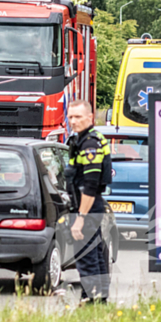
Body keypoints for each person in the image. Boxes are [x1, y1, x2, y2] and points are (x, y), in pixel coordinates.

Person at [66, 100, 111, 303]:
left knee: (86, 258)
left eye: (78, 117)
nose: (73, 121)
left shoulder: (90, 144)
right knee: (95, 255)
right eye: (70, 117)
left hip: (87, 207)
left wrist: (80, 218)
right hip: (92, 207)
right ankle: (100, 301)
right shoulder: (87, 139)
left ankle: (91, 301)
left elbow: (90, 185)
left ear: (90, 117)